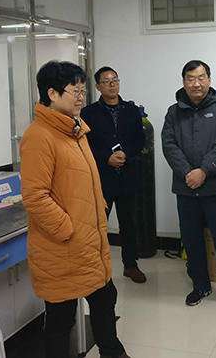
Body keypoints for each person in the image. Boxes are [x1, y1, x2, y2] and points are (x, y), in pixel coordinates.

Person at [20, 61, 129, 358]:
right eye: (75, 91)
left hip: (89, 242)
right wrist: (69, 229)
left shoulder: (75, 131)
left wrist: (96, 214)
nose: (81, 97)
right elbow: (35, 196)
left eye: (83, 91)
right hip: (63, 246)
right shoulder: (39, 136)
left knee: (105, 300)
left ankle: (113, 352)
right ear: (52, 94)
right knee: (61, 318)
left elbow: (85, 184)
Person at [161, 60, 216, 311]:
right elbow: (169, 146)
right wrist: (188, 173)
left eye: (201, 78)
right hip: (186, 189)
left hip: (215, 188)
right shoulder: (173, 112)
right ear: (183, 81)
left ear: (209, 80)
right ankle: (200, 285)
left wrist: (204, 171)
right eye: (191, 78)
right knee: (191, 241)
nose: (196, 83)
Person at [81, 66, 146, 284]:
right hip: (102, 177)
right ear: (98, 86)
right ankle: (96, 266)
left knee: (129, 224)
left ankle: (131, 265)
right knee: (99, 224)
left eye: (115, 80)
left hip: (128, 175)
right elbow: (85, 144)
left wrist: (126, 153)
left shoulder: (131, 110)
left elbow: (140, 139)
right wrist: (105, 158)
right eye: (107, 81)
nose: (112, 85)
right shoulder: (88, 113)